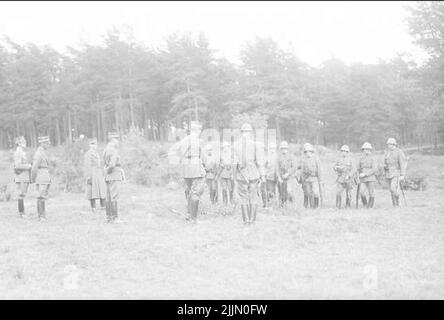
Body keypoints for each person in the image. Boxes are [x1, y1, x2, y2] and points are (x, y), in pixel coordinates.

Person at [233, 123, 265, 225]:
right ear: (250, 132)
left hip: (241, 175)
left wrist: (234, 177)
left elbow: (234, 163)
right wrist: (262, 175)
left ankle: (246, 221)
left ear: (241, 132)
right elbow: (260, 161)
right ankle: (252, 221)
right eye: (247, 132)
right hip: (253, 174)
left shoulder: (235, 145)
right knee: (253, 197)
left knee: (243, 198)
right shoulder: (256, 144)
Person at [176, 121, 206, 223]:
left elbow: (179, 153)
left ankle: (189, 215)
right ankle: (194, 219)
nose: (200, 132)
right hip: (196, 167)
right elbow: (204, 155)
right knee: (196, 192)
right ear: (197, 130)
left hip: (186, 168)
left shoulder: (184, 140)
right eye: (200, 130)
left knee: (190, 191)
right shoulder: (199, 141)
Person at [103, 132, 125, 223]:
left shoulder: (106, 149)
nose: (117, 142)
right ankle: (115, 218)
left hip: (108, 175)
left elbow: (105, 163)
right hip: (114, 174)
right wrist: (109, 170)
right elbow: (112, 164)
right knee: (114, 196)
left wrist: (106, 172)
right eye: (116, 139)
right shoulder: (114, 150)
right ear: (112, 140)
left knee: (108, 197)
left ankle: (109, 217)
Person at [31, 136, 52, 221]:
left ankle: (42, 215)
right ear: (42, 143)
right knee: (41, 196)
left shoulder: (43, 152)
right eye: (47, 143)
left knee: (42, 196)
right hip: (41, 176)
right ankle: (41, 216)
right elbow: (34, 167)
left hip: (44, 176)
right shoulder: (39, 153)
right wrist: (33, 178)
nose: (49, 144)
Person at [84, 138, 107, 212]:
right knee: (92, 190)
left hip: (98, 172)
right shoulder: (88, 154)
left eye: (95, 144)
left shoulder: (97, 153)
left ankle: (103, 206)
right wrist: (88, 176)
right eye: (92, 144)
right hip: (92, 173)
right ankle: (93, 208)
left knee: (101, 190)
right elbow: (87, 166)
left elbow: (100, 163)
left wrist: (103, 172)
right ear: (89, 145)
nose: (94, 146)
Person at [297, 143, 322, 209]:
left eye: (309, 151)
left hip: (314, 179)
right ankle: (309, 206)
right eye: (306, 152)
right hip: (306, 179)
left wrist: (320, 179)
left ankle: (316, 206)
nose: (308, 153)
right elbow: (300, 169)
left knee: (316, 192)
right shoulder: (303, 160)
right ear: (305, 152)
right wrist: (300, 179)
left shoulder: (316, 159)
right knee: (307, 192)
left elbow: (319, 169)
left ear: (312, 152)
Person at [384, 138, 407, 207]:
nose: (388, 146)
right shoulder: (387, 152)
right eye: (388, 144)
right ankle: (395, 205)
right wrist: (384, 166)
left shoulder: (399, 152)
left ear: (394, 144)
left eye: (390, 144)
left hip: (396, 173)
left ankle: (398, 198)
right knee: (391, 190)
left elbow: (402, 163)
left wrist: (402, 174)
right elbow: (385, 162)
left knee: (393, 188)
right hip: (388, 173)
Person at [13, 136, 32, 217]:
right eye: (23, 141)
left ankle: (22, 213)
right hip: (21, 176)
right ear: (19, 143)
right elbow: (17, 166)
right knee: (21, 194)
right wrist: (29, 166)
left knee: (22, 194)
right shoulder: (18, 152)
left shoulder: (22, 152)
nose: (25, 142)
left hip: (24, 176)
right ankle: (22, 213)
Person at [333, 145, 355, 209]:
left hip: (348, 179)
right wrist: (336, 167)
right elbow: (334, 166)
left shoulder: (351, 159)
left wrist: (349, 175)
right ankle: (338, 205)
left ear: (348, 152)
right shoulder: (338, 159)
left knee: (348, 192)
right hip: (341, 178)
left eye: (345, 151)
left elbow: (354, 169)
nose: (344, 152)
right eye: (342, 151)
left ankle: (348, 205)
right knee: (338, 192)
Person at [357, 142, 378, 209]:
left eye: (368, 149)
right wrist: (358, 175)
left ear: (370, 150)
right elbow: (358, 168)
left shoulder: (373, 158)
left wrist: (365, 174)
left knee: (371, 193)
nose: (366, 151)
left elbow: (374, 169)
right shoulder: (361, 158)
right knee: (361, 192)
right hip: (363, 179)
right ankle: (365, 204)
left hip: (371, 178)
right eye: (365, 149)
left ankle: (370, 206)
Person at [276, 141, 296, 208]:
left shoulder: (291, 156)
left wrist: (288, 173)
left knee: (289, 191)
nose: (284, 150)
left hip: (289, 177)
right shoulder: (278, 157)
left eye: (285, 148)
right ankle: (282, 206)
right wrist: (279, 177)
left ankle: (292, 205)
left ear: (287, 149)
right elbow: (277, 168)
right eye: (282, 149)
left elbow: (294, 167)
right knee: (281, 192)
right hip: (281, 177)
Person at [218, 141, 234, 206]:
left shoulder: (231, 155)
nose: (225, 148)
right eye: (224, 147)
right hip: (223, 174)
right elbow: (218, 163)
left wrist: (230, 167)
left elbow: (234, 163)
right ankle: (225, 202)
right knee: (224, 189)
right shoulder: (220, 155)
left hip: (230, 174)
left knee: (230, 188)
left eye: (227, 147)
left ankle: (231, 201)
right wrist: (222, 165)